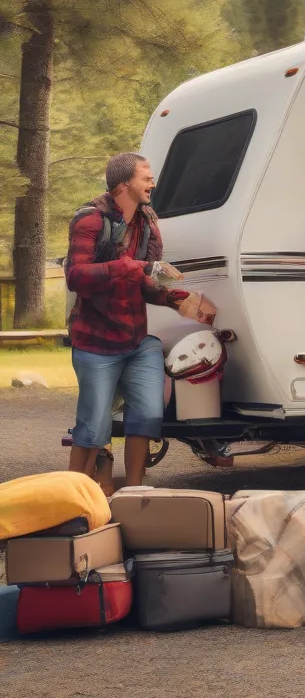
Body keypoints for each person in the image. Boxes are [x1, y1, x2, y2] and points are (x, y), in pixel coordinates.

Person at [64, 152, 201, 487]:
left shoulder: (146, 222)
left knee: (148, 416)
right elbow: (76, 276)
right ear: (125, 184)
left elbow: (145, 283)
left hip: (137, 340)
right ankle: (76, 496)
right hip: (96, 342)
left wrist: (174, 299)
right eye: (146, 177)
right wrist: (122, 266)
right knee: (94, 425)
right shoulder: (91, 220)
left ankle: (136, 490)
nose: (152, 183)